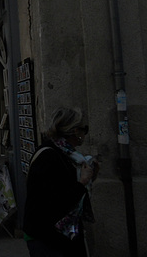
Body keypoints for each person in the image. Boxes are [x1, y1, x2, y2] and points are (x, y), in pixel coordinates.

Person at [23, 107, 99, 257]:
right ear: (76, 131)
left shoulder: (67, 154)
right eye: (85, 129)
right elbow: (56, 201)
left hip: (64, 234)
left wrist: (90, 175)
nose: (85, 134)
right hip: (47, 236)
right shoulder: (49, 156)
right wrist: (82, 182)